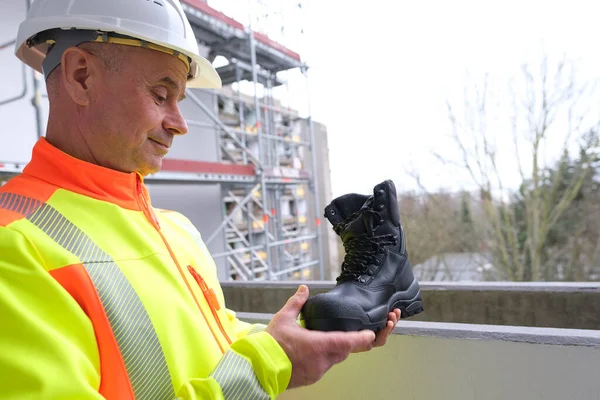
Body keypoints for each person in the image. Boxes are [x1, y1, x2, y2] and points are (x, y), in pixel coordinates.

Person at [0, 0, 401, 398]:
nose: (180, 124)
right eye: (161, 94)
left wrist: (304, 337)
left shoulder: (177, 231)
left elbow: (215, 351)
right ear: (81, 77)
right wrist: (267, 364)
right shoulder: (13, 246)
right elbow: (250, 368)